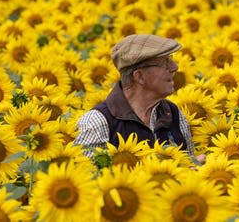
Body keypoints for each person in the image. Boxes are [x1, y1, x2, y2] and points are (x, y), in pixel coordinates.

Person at [74, 34, 203, 163]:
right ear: (139, 76)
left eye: (171, 59)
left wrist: (195, 166)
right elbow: (87, 177)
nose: (175, 67)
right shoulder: (97, 123)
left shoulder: (173, 113)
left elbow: (188, 169)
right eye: (165, 63)